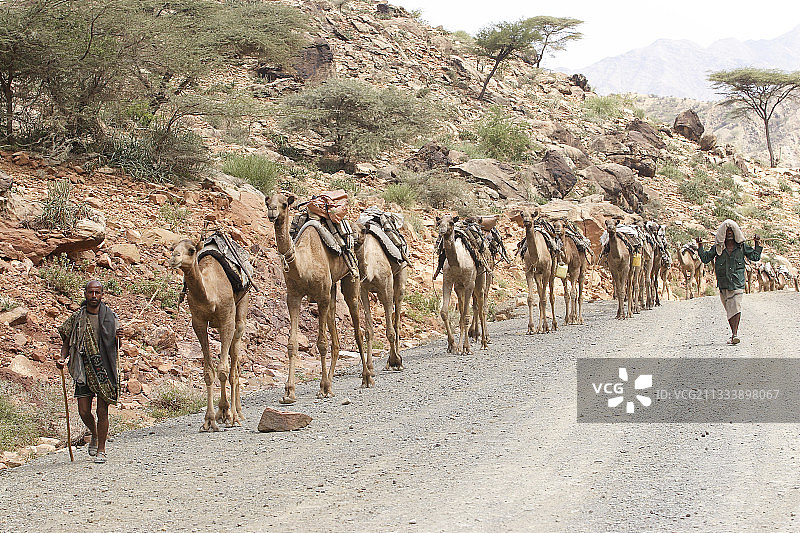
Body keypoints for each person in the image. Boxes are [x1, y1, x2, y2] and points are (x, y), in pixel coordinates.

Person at [56, 280, 122, 463]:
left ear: (102, 294)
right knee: (84, 411)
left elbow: (116, 346)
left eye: (97, 293)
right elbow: (67, 341)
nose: (94, 296)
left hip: (104, 370)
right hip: (83, 369)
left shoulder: (111, 317)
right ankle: (94, 433)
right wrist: (63, 358)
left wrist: (119, 337)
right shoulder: (77, 318)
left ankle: (101, 449)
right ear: (85, 293)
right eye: (90, 292)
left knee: (102, 411)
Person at [696, 219, 761, 345]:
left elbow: (755, 257)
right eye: (727, 231)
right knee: (729, 309)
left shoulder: (741, 247)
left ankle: (735, 334)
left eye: (731, 230)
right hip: (724, 283)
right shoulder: (718, 248)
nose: (729, 233)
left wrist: (757, 244)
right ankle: (733, 334)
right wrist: (700, 246)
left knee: (735, 306)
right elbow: (705, 259)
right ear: (723, 233)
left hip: (737, 283)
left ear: (736, 232)